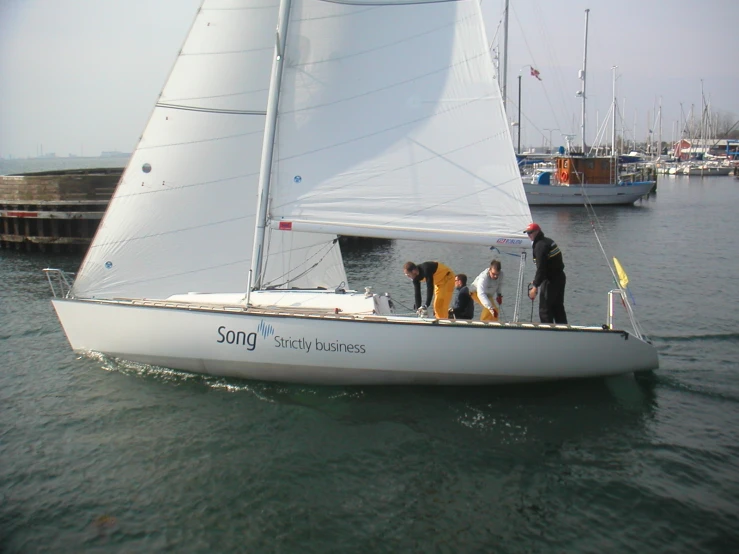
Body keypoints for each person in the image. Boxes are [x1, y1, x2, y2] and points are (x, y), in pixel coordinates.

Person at [525, 222, 567, 324]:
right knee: (558, 307)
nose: (529, 235)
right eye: (527, 233)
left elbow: (541, 268)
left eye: (531, 232)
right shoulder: (547, 241)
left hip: (550, 280)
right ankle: (563, 330)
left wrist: (535, 286)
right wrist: (537, 280)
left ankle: (547, 333)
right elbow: (547, 266)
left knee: (545, 309)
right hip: (559, 277)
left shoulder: (540, 245)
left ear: (537, 232)